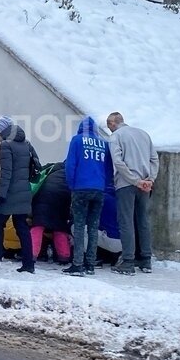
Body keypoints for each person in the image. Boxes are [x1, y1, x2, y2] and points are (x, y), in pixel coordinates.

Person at [0, 116, 40, 274]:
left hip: (9, 192)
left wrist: (1, 195)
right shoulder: (26, 143)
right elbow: (37, 164)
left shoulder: (5, 145)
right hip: (24, 191)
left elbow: (7, 173)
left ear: (2, 130)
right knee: (22, 227)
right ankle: (28, 264)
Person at [106, 112, 159, 275]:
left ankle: (127, 261)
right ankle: (145, 260)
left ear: (113, 123)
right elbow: (154, 159)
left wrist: (134, 180)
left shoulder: (116, 137)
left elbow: (118, 161)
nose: (109, 129)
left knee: (126, 222)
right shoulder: (144, 134)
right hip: (145, 186)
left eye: (109, 125)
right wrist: (149, 179)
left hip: (126, 184)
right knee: (142, 220)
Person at [63, 116, 113, 276]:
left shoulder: (77, 140)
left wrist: (71, 186)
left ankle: (78, 264)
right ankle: (91, 263)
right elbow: (108, 169)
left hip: (81, 188)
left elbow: (70, 165)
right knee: (93, 227)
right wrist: (104, 187)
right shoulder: (103, 143)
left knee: (78, 226)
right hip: (98, 190)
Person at [31, 162, 72, 265]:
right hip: (62, 199)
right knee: (60, 228)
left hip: (43, 196)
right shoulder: (74, 172)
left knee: (38, 226)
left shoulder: (54, 167)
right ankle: (64, 256)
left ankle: (31, 254)